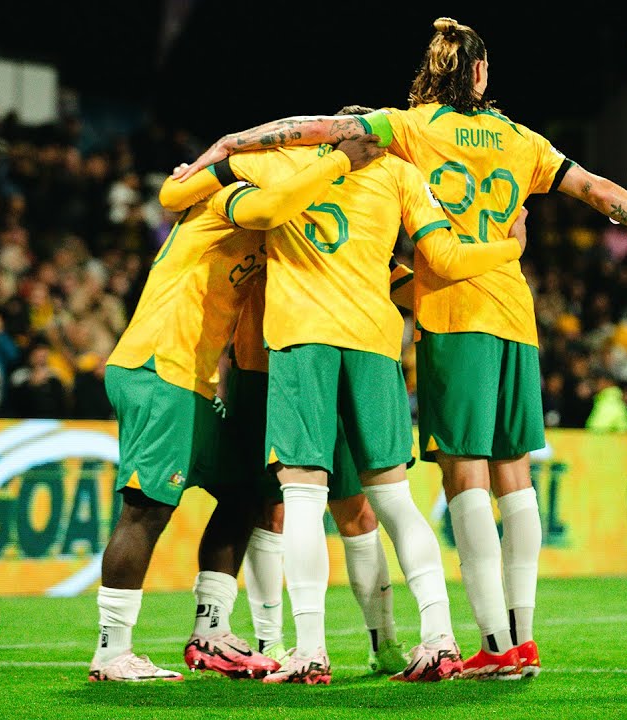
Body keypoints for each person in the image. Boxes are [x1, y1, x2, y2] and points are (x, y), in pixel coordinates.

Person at [170, 17, 627, 679]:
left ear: (431, 70)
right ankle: (518, 635)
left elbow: (316, 132)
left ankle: (481, 640)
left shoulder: (404, 128)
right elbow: (601, 192)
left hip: (447, 313)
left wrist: (231, 143)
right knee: (513, 479)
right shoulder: (522, 140)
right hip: (514, 314)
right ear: (482, 74)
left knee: (455, 479)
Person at [201, 109, 530, 685]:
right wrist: (511, 249)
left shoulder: (282, 159)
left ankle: (308, 650)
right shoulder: (397, 171)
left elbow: (182, 190)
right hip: (375, 345)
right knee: (395, 502)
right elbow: (446, 260)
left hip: (302, 341)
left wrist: (213, 156)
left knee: (302, 500)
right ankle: (440, 639)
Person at [87, 136, 385, 683]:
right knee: (146, 508)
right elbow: (244, 198)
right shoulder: (232, 197)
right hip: (158, 365)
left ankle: (211, 631)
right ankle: (112, 651)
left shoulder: (273, 225)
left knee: (246, 488)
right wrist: (341, 158)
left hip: (191, 378)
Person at [157, 153, 424, 678]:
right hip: (264, 367)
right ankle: (271, 640)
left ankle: (383, 643)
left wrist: (453, 293)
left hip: (333, 361)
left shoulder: (343, 213)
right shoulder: (269, 201)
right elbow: (182, 209)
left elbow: (395, 280)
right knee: (267, 508)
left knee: (356, 512)